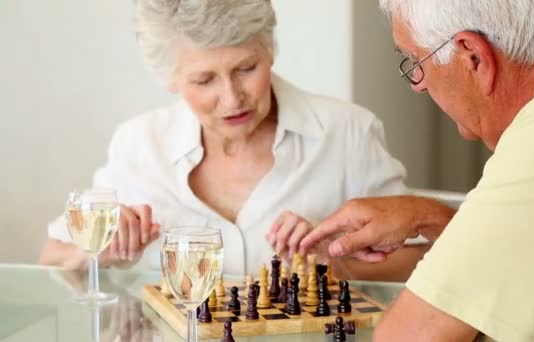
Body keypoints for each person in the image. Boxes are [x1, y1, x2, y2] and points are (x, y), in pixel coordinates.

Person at [38, 0, 454, 280]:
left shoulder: (346, 132)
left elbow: (423, 260)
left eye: (246, 68)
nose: (232, 97)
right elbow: (51, 260)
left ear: (270, 50)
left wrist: (338, 257)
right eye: (204, 80)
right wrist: (99, 254)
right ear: (169, 79)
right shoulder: (138, 145)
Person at [300, 0, 534, 340]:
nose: (418, 83)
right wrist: (433, 218)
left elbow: (407, 337)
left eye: (416, 61)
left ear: (472, 56)